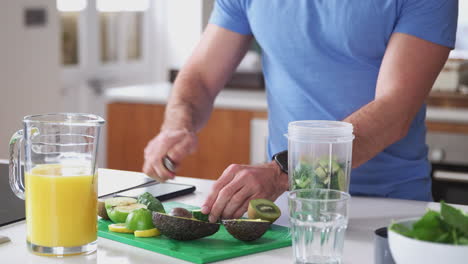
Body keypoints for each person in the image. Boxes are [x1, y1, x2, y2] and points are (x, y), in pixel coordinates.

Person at [143, 0, 458, 223]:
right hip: (287, 206)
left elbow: (393, 113)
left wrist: (284, 172)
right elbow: (199, 77)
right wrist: (177, 125)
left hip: (388, 207)